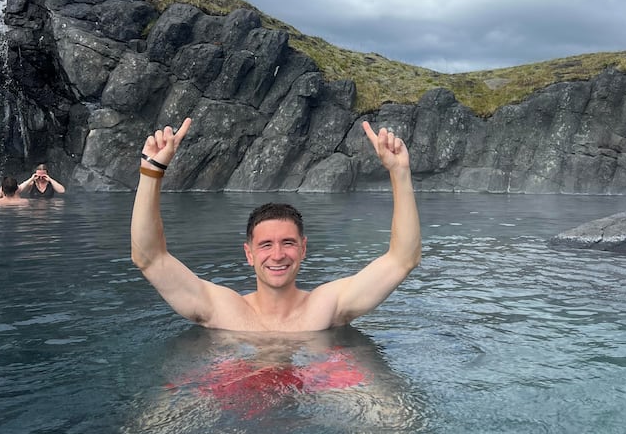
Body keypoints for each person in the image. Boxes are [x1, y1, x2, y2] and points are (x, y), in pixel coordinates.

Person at [131, 118, 421, 332]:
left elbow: (402, 260)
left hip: (315, 383)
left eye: (288, 243)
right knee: (163, 415)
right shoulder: (221, 309)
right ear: (249, 253)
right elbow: (150, 259)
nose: (278, 254)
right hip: (233, 389)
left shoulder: (327, 306)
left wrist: (400, 172)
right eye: (266, 245)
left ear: (304, 248)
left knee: (389, 411)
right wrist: (151, 171)